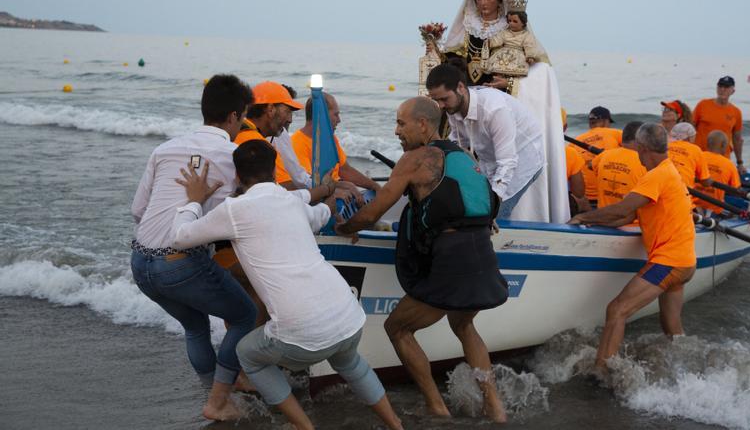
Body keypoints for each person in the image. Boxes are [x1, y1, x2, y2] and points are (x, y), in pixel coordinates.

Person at [170, 140, 403, 430]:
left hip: (301, 333)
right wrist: (330, 199)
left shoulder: (234, 209)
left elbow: (179, 237)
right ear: (273, 170)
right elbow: (321, 215)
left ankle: (306, 427)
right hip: (349, 315)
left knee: (247, 353)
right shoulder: (291, 200)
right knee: (351, 363)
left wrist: (192, 199)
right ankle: (396, 425)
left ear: (238, 177)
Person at [336, 97, 508, 423]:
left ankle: (435, 405)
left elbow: (375, 210)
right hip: (482, 253)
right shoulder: (464, 156)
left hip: (453, 260)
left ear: (424, 125)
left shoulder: (415, 158)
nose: (396, 130)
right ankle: (495, 408)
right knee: (463, 323)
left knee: (397, 327)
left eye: (402, 123)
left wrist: (345, 228)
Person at [129, 74, 257, 421]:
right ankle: (218, 399)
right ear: (234, 116)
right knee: (245, 315)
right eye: (244, 116)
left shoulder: (164, 149)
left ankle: (214, 397)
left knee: (196, 327)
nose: (243, 123)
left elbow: (137, 211)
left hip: (140, 263)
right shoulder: (234, 155)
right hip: (181, 263)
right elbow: (257, 205)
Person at [437, 0, 569, 223]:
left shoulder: (515, 31)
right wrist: (432, 47)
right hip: (467, 103)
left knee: (504, 162)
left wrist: (508, 85)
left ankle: (497, 214)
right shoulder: (467, 30)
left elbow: (539, 69)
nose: (483, 3)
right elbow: (451, 64)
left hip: (500, 103)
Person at [568, 123, 696, 370]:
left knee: (617, 310)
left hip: (668, 261)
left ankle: (601, 371)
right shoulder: (670, 171)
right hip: (685, 262)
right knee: (672, 329)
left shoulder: (656, 176)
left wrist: (584, 217)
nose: (637, 155)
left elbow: (623, 208)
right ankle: (684, 371)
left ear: (643, 148)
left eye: (638, 150)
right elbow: (627, 217)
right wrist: (599, 220)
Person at [427, 63, 544, 220]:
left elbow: (508, 162)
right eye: (436, 100)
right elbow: (458, 145)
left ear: (460, 87)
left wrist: (494, 203)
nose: (441, 106)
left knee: (493, 215)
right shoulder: (452, 106)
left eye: (444, 99)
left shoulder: (494, 109)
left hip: (523, 158)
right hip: (490, 159)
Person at [291, 92, 381, 206]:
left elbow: (345, 170)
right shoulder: (297, 143)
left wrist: (375, 186)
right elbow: (309, 183)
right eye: (336, 114)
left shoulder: (330, 138)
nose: (339, 120)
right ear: (321, 115)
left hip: (340, 190)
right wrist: (341, 188)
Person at [234, 81, 305, 190]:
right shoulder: (257, 144)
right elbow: (287, 189)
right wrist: (325, 190)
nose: (290, 120)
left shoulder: (236, 131)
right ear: (271, 109)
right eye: (287, 111)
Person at [693, 76, 746, 175]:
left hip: (722, 159)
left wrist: (740, 163)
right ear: (716, 88)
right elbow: (690, 128)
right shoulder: (703, 105)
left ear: (732, 91)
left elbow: (737, 139)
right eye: (720, 86)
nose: (722, 89)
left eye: (726, 87)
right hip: (701, 156)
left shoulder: (736, 112)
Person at [589, 121, 647, 210]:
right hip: (633, 223)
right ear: (640, 140)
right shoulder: (645, 162)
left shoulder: (604, 155)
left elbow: (590, 166)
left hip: (602, 218)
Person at [575, 106, 623, 208]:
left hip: (585, 199)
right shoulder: (615, 133)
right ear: (606, 121)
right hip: (610, 197)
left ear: (590, 123)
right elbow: (634, 146)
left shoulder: (576, 141)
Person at [485, 2, 548, 77]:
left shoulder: (526, 35)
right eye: (509, 21)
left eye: (515, 21)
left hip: (517, 55)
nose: (511, 23)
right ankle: (497, 79)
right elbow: (498, 39)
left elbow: (529, 45)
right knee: (498, 67)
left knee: (516, 70)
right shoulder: (505, 32)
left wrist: (530, 56)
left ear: (523, 23)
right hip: (503, 54)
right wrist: (489, 43)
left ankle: (511, 81)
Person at [695, 130, 742, 216]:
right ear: (723, 145)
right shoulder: (729, 165)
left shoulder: (697, 157)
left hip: (691, 206)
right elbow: (736, 191)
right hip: (713, 210)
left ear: (707, 143)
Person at [667, 122, 711, 193]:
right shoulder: (695, 150)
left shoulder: (666, 145)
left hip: (662, 185)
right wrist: (710, 181)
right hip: (682, 190)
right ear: (689, 137)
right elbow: (705, 182)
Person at [561, 108, 586, 203]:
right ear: (565, 127)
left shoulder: (519, 150)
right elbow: (579, 193)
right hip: (557, 208)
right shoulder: (570, 153)